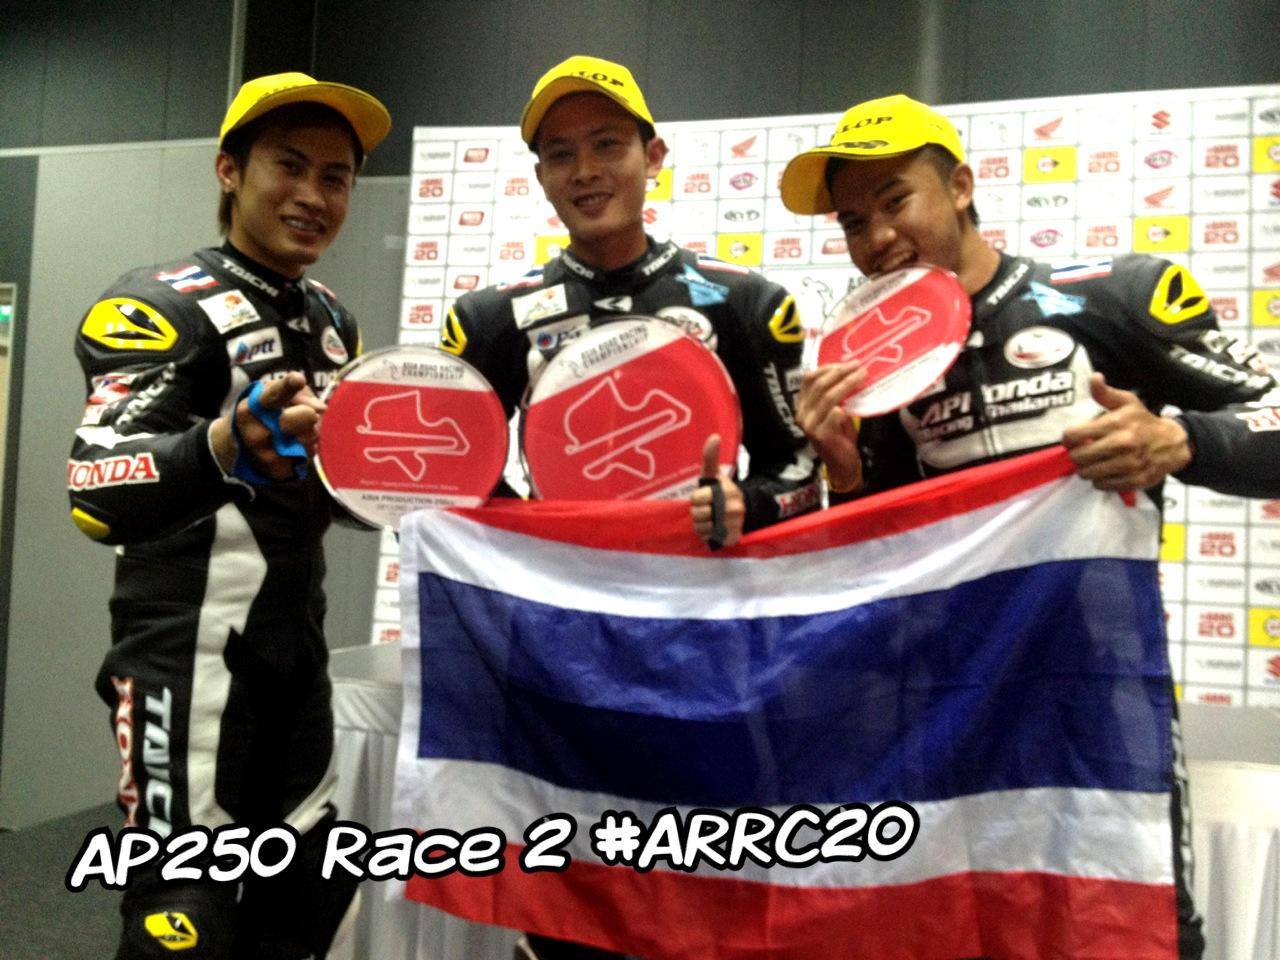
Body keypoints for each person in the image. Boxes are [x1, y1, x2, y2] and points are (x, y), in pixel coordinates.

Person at [780, 93, 1280, 960]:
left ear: (961, 186)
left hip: (1102, 698)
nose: (878, 238)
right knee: (960, 936)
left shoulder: (1113, 299)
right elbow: (883, 562)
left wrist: (1180, 440)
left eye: (896, 201)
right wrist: (846, 469)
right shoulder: (870, 368)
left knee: (1141, 937)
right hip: (949, 712)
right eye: (855, 222)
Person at [67, 72, 390, 959]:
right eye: (290, 166)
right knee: (185, 919)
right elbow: (94, 490)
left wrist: (405, 483)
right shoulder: (156, 305)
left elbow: (330, 492)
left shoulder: (331, 321)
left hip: (297, 659)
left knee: (308, 902)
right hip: (185, 664)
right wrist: (221, 445)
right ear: (229, 170)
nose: (313, 194)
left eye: (335, 177)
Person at [442, 55, 818, 556]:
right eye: (561, 155)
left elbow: (800, 474)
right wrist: (536, 534)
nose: (585, 172)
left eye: (607, 145)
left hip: (699, 593)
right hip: (557, 596)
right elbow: (448, 480)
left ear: (653, 157)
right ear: (541, 176)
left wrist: (744, 506)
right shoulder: (489, 319)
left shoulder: (744, 303)